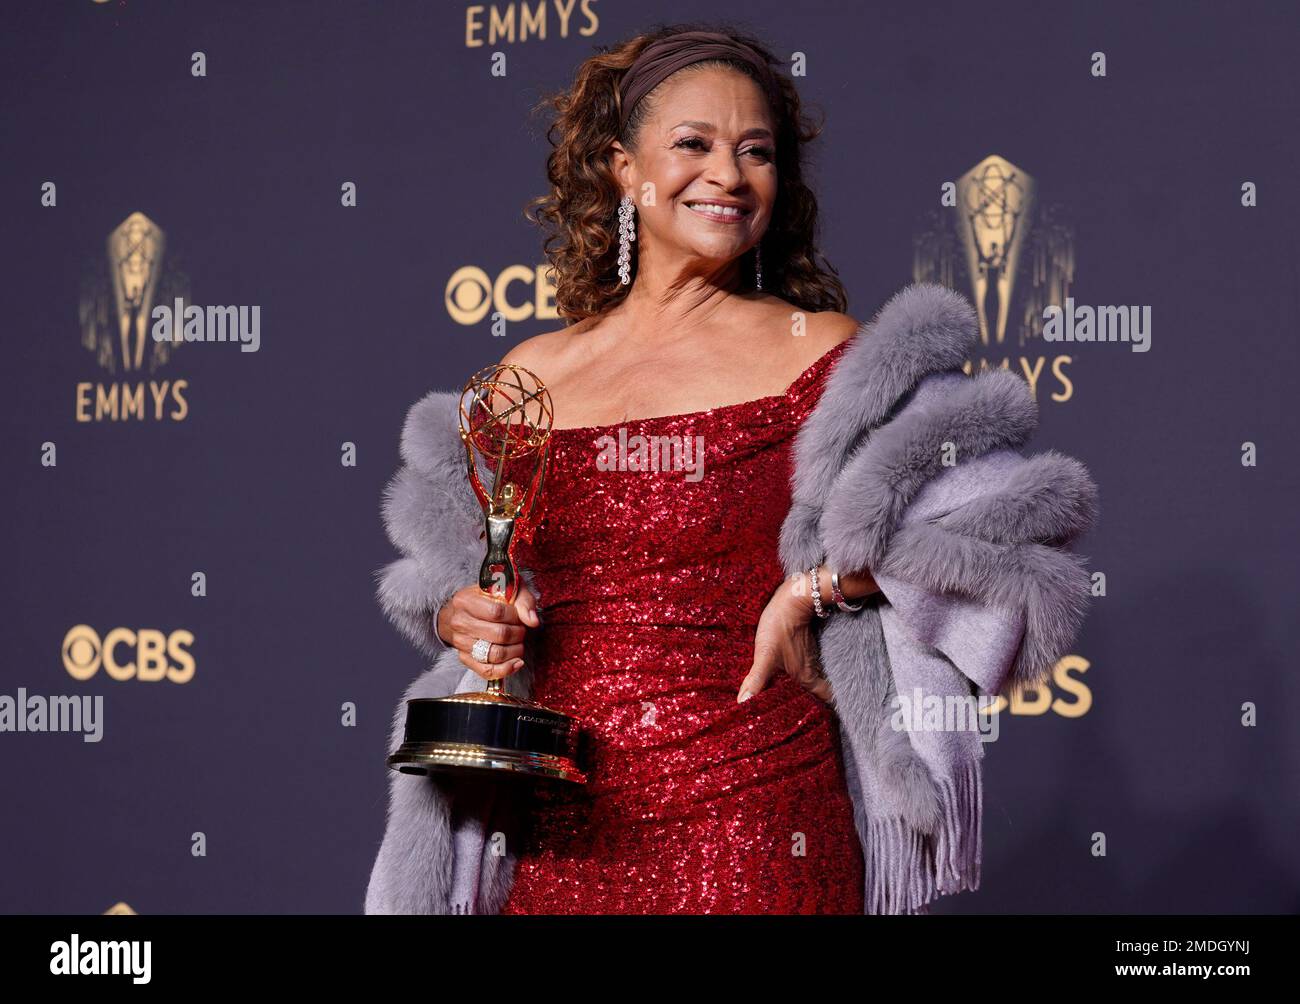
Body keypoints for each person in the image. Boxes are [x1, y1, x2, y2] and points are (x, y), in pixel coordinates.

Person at [366, 22, 1097, 915]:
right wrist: (466, 616)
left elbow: (1022, 530)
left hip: (754, 834)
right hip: (554, 844)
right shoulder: (530, 376)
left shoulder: (829, 357)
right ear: (622, 170)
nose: (728, 174)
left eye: (756, 152)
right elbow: (455, 572)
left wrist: (818, 589)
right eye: (693, 145)